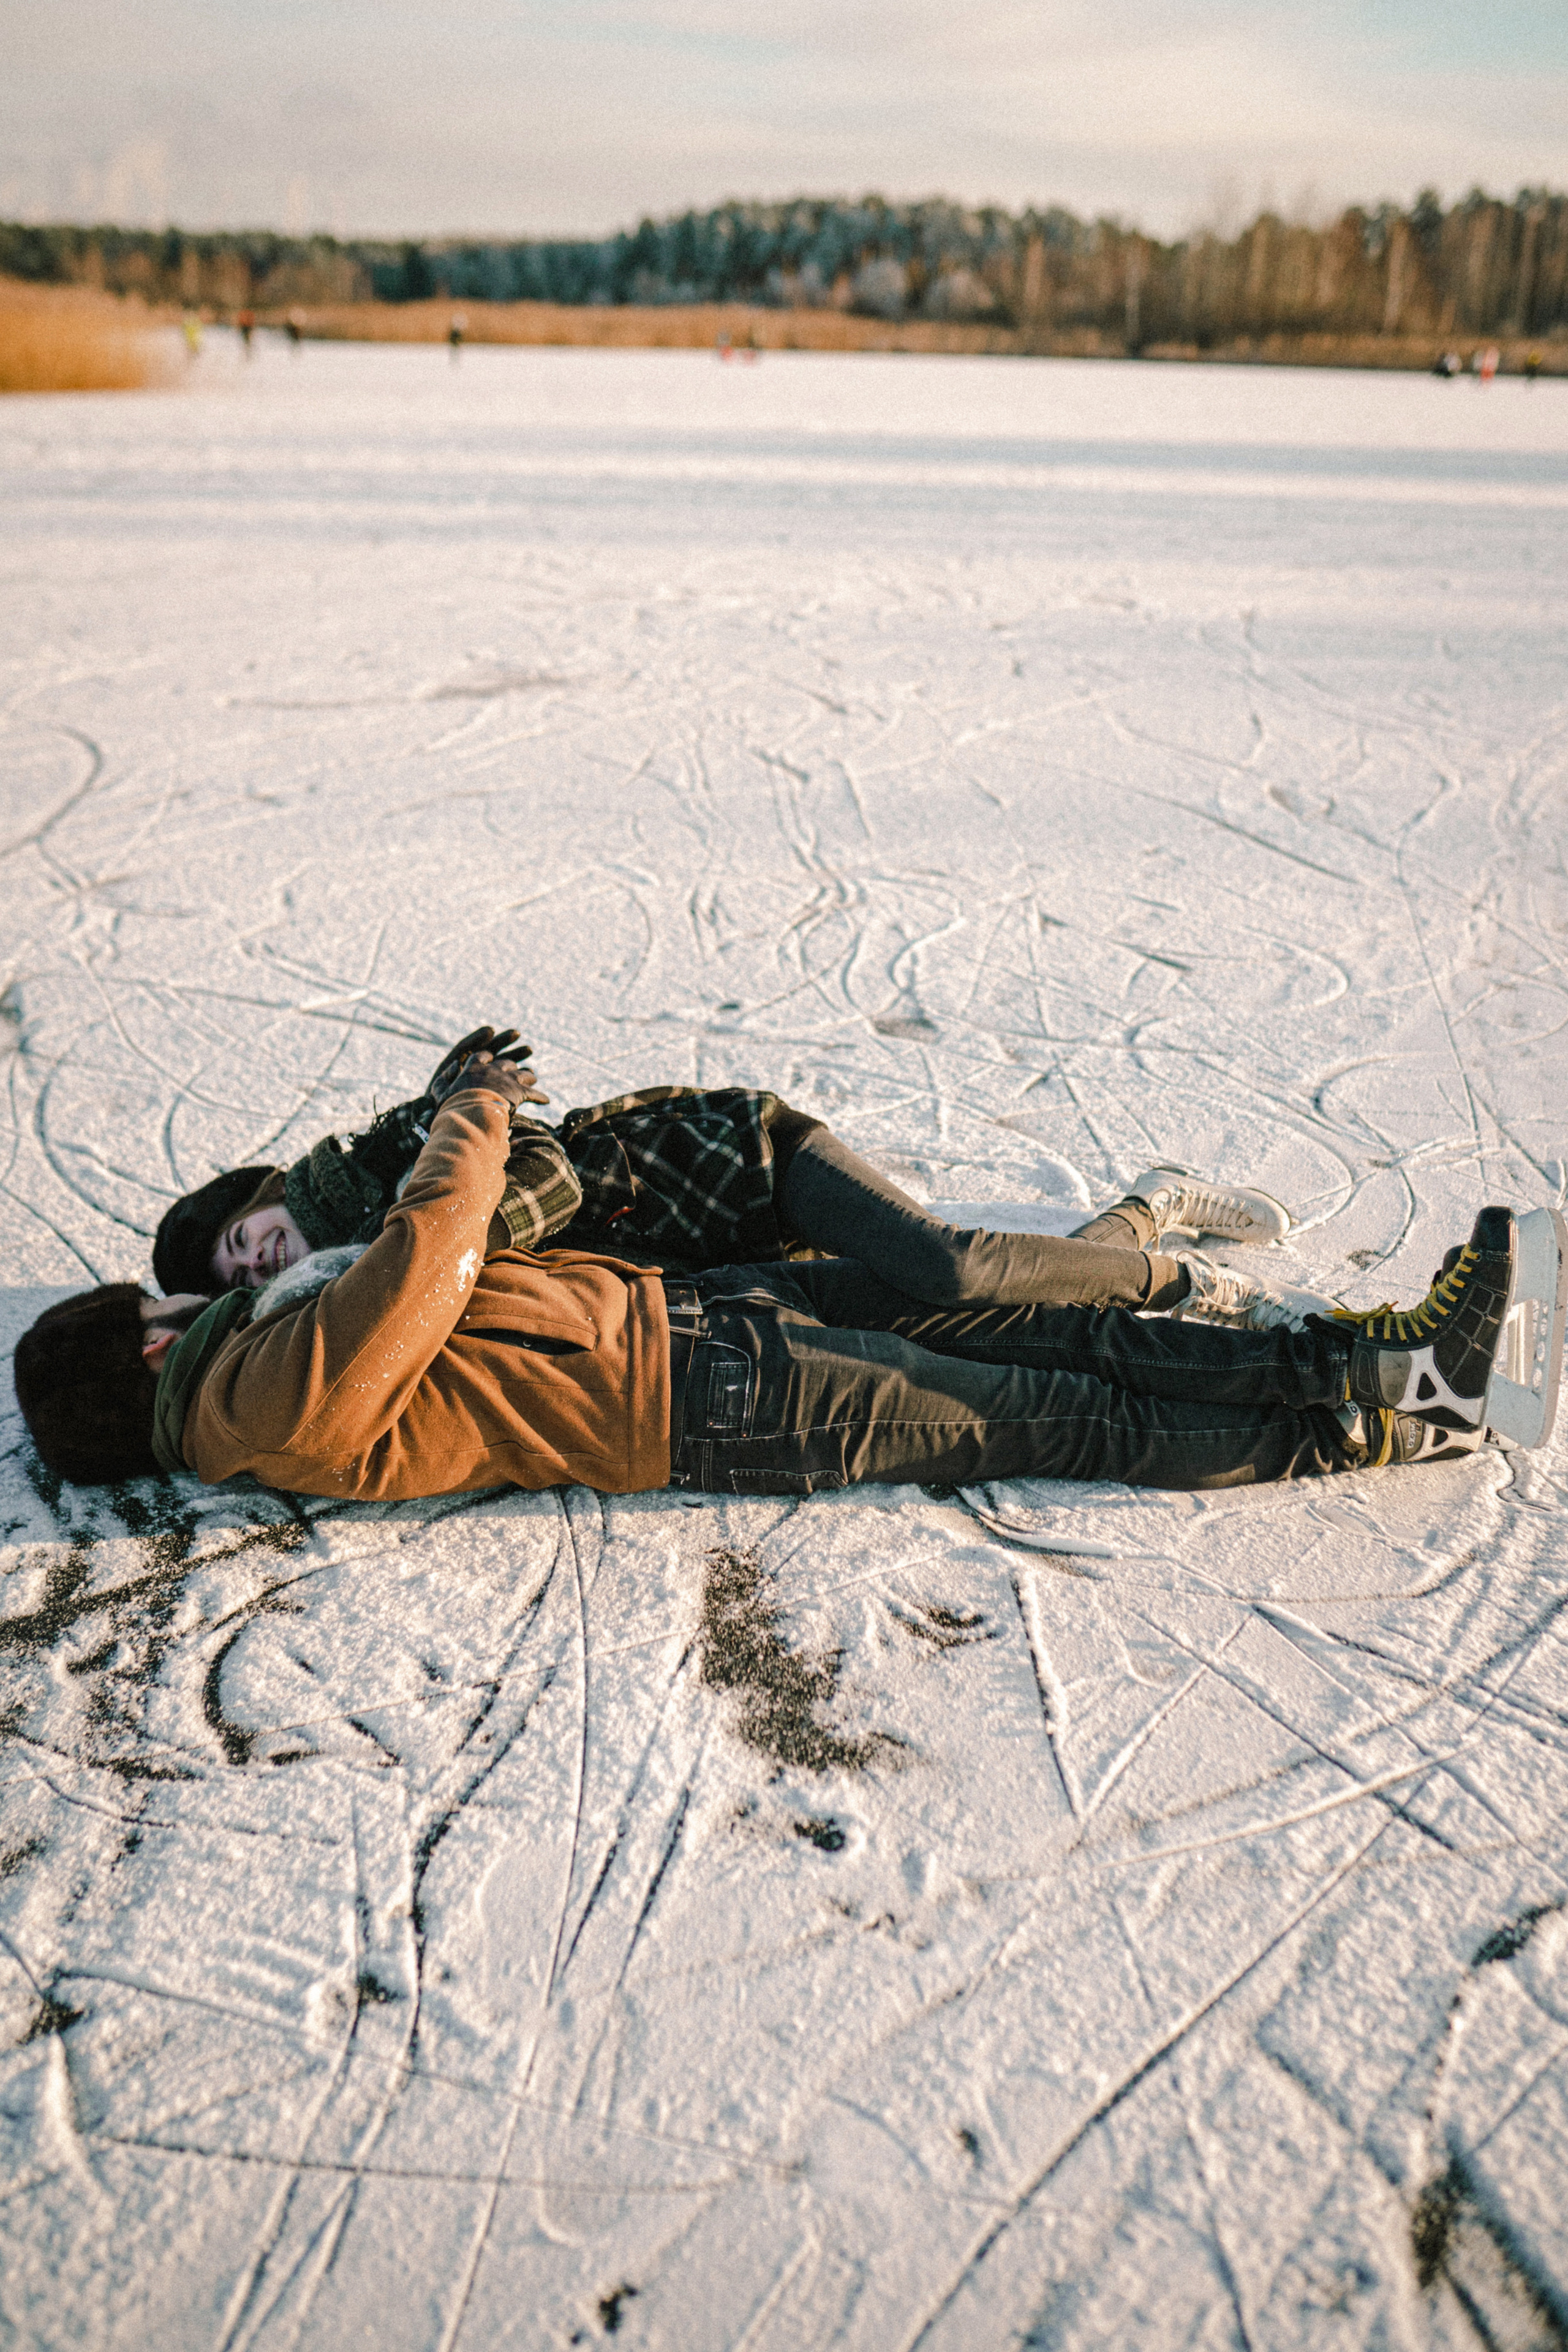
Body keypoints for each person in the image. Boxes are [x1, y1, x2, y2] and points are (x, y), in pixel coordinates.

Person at [14, 1057, 1537, 1501]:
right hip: (706, 1403)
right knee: (1059, 1415)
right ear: (142, 1356)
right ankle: (1383, 1410)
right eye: (166, 1307)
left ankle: (1376, 1355)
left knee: (1014, 1318)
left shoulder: (240, 1372)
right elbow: (427, 1267)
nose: (193, 1305)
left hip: (692, 1326)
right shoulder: (246, 1404)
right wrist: (469, 1117)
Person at [150, 1030, 1295, 1327]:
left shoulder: (386, 1162)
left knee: (944, 1262)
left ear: (259, 1207)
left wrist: (444, 1235)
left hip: (741, 1157)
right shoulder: (364, 1261)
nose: (260, 1259)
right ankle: (1146, 1212)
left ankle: (1176, 1275)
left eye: (244, 1238)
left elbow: (541, 1173)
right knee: (955, 1310)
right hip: (710, 1252)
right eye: (241, 1274)